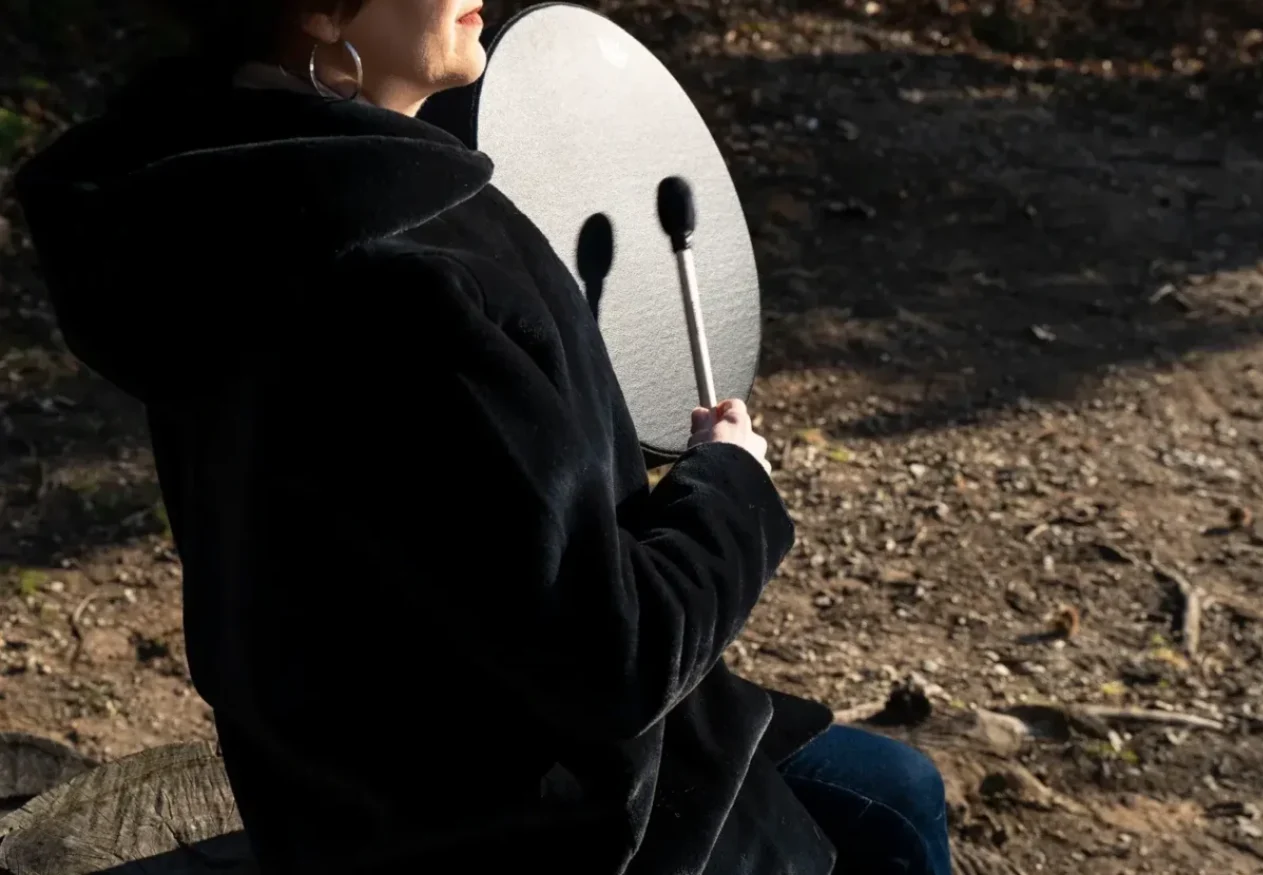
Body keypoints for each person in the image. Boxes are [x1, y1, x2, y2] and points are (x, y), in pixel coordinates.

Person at [13, 2, 952, 873]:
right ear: (320, 8)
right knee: (895, 809)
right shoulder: (400, 272)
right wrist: (731, 483)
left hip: (336, 800)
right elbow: (613, 661)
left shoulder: (214, 199)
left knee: (892, 789)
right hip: (543, 825)